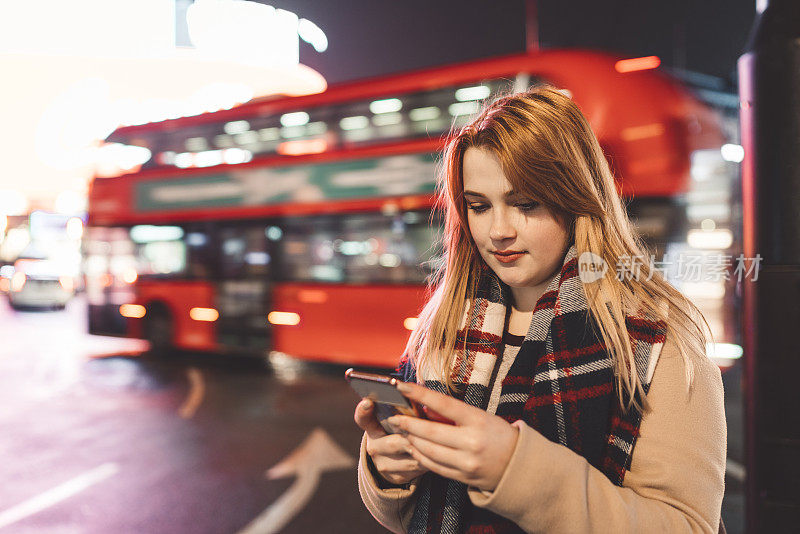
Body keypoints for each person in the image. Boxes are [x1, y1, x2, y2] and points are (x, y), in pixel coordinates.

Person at [354, 86, 726, 533]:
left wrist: (515, 471)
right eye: (478, 206)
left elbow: (688, 526)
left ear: (576, 199)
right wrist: (387, 474)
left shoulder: (656, 341)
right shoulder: (446, 325)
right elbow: (407, 517)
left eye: (525, 204)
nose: (499, 231)